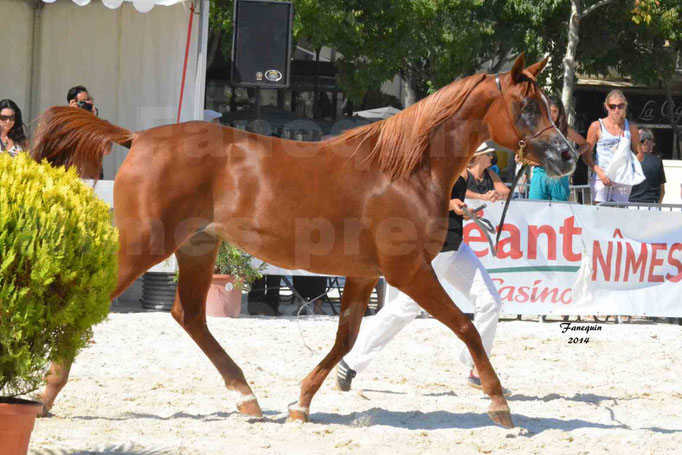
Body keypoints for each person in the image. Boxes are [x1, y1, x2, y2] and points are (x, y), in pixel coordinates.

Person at [336, 168, 509, 396]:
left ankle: (477, 368)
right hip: (431, 250)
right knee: (406, 308)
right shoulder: (436, 163)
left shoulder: (463, 169)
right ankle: (351, 362)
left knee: (490, 302)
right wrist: (447, 204)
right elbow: (413, 198)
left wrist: (461, 211)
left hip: (455, 247)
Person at [583, 90, 642, 203]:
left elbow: (639, 153)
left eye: (620, 106)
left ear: (625, 107)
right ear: (606, 106)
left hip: (623, 178)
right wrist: (599, 172)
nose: (616, 110)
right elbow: (586, 155)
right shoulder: (596, 126)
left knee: (620, 215)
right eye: (612, 106)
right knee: (599, 212)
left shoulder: (631, 126)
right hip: (602, 176)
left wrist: (630, 168)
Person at [528, 96, 588, 201]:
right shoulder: (536, 129)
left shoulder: (564, 129)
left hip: (559, 175)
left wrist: (575, 154)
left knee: (559, 212)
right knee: (535, 211)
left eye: (555, 111)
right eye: (549, 110)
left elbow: (585, 144)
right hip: (540, 174)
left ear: (560, 113)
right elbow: (527, 157)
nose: (552, 114)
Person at [628, 128, 666, 204]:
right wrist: (658, 205)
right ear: (646, 142)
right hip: (651, 205)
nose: (654, 144)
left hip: (630, 205)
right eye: (653, 141)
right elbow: (662, 190)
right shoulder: (657, 161)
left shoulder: (630, 159)